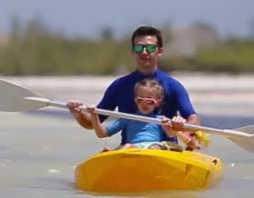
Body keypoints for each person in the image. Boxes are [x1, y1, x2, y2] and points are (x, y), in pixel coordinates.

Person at [67, 25, 202, 147]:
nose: (144, 52)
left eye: (150, 48)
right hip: (130, 150)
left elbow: (193, 119)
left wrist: (183, 124)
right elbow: (92, 122)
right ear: (133, 52)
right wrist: (79, 115)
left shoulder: (173, 86)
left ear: (159, 52)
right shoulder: (119, 86)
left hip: (165, 151)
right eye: (139, 48)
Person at [85, 78, 178, 150]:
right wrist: (94, 115)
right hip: (133, 148)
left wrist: (169, 128)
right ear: (135, 100)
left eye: (150, 101)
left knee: (155, 147)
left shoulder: (160, 119)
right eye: (140, 100)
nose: (144, 104)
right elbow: (102, 134)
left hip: (154, 147)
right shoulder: (128, 118)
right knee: (127, 146)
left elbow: (171, 135)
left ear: (158, 102)